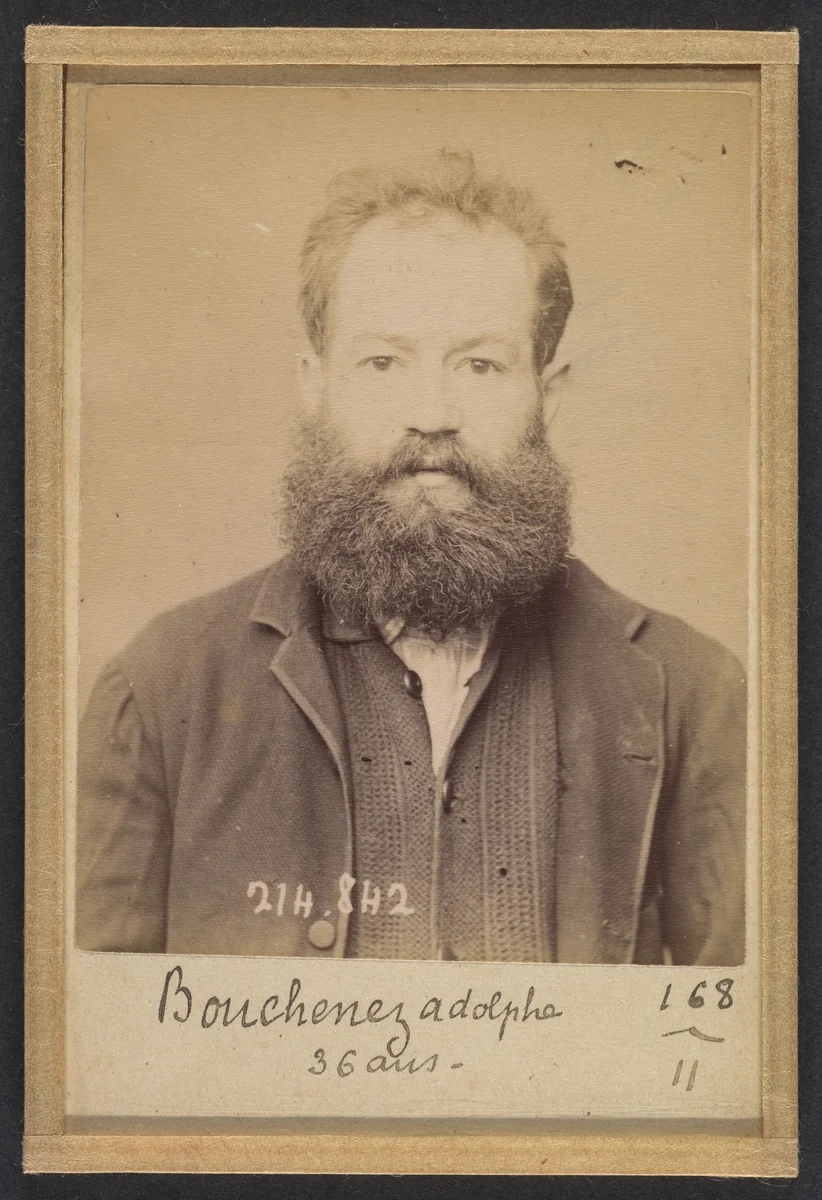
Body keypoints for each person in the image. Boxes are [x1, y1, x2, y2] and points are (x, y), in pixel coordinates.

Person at [76, 149, 746, 965]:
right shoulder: (160, 689)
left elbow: (746, 1058)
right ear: (314, 387)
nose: (431, 412)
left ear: (550, 395)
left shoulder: (696, 696)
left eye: (480, 364)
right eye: (383, 361)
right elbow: (93, 1057)